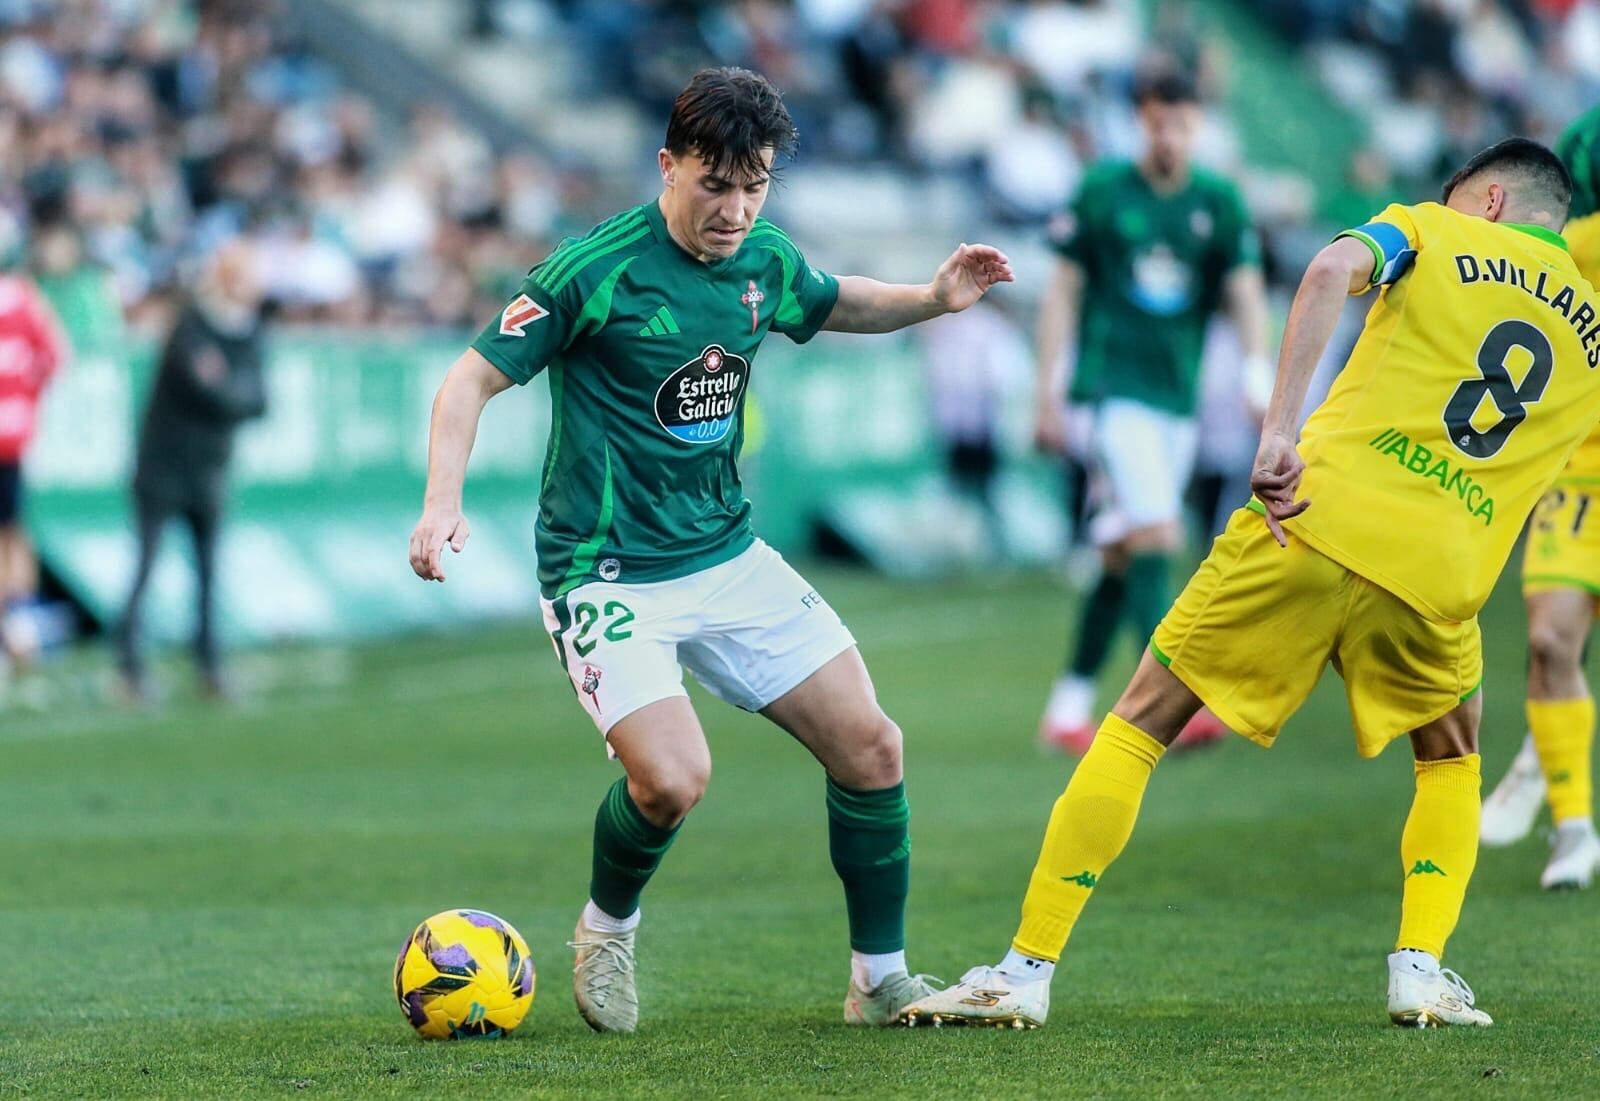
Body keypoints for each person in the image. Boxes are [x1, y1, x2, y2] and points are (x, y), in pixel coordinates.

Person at [903, 138, 1598, 1030]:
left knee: (1144, 716)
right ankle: (1420, 967)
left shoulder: (1426, 229)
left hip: (1316, 517)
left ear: (1491, 201)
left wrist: (1278, 431)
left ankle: (1021, 971)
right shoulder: (1592, 332)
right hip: (1442, 577)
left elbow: (1327, 268)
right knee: (1453, 755)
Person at [406, 67, 1013, 1034]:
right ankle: (606, 926)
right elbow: (470, 380)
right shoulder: (592, 269)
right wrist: (443, 504)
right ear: (668, 165)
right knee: (673, 779)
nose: (735, 209)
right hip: (604, 571)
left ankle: (880, 977)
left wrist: (934, 298)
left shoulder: (761, 260)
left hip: (727, 556)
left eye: (755, 185)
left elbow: (833, 301)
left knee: (872, 746)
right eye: (715, 184)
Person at [1034, 70, 1271, 754]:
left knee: (1119, 553)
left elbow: (1245, 288)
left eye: (1181, 124)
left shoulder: (1217, 200)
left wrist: (1257, 373)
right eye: (1157, 122)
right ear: (1141, 120)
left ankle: (1066, 709)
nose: (1169, 136)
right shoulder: (1104, 190)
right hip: (1109, 392)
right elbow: (1064, 291)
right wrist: (1046, 390)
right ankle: (1171, 703)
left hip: (1176, 400)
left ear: (1198, 125)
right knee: (1158, 534)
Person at [1480, 105, 1600, 889]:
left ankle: (1537, 755)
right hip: (1581, 467)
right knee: (1554, 640)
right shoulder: (1578, 248)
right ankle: (1575, 828)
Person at [117, 239, 267, 700]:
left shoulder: (244, 332)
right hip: (163, 465)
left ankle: (209, 664)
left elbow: (256, 399)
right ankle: (129, 664)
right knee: (146, 566)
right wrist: (228, 390)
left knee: (207, 572)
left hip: (209, 469)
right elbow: (213, 391)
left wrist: (227, 387)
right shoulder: (192, 324)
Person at [0, 247, 68, 672]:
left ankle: (18, 627)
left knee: (11, 531)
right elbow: (55, 356)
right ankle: (19, 628)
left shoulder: (23, 298)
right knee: (13, 531)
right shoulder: (25, 298)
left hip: (11, 436)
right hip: (16, 433)